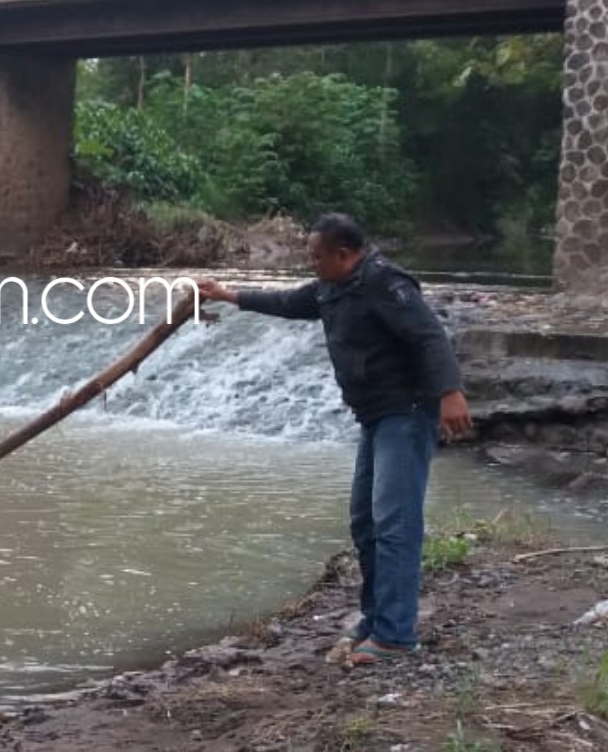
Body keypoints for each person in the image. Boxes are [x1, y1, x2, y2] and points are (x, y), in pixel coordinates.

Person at [190, 213, 472, 667]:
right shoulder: (332, 287)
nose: (311, 264)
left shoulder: (384, 282)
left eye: (316, 257)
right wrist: (228, 296)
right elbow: (288, 302)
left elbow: (429, 335)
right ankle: (376, 618)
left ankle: (396, 635)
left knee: (395, 523)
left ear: (344, 254)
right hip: (374, 415)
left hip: (407, 411)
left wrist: (450, 392)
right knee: (366, 522)